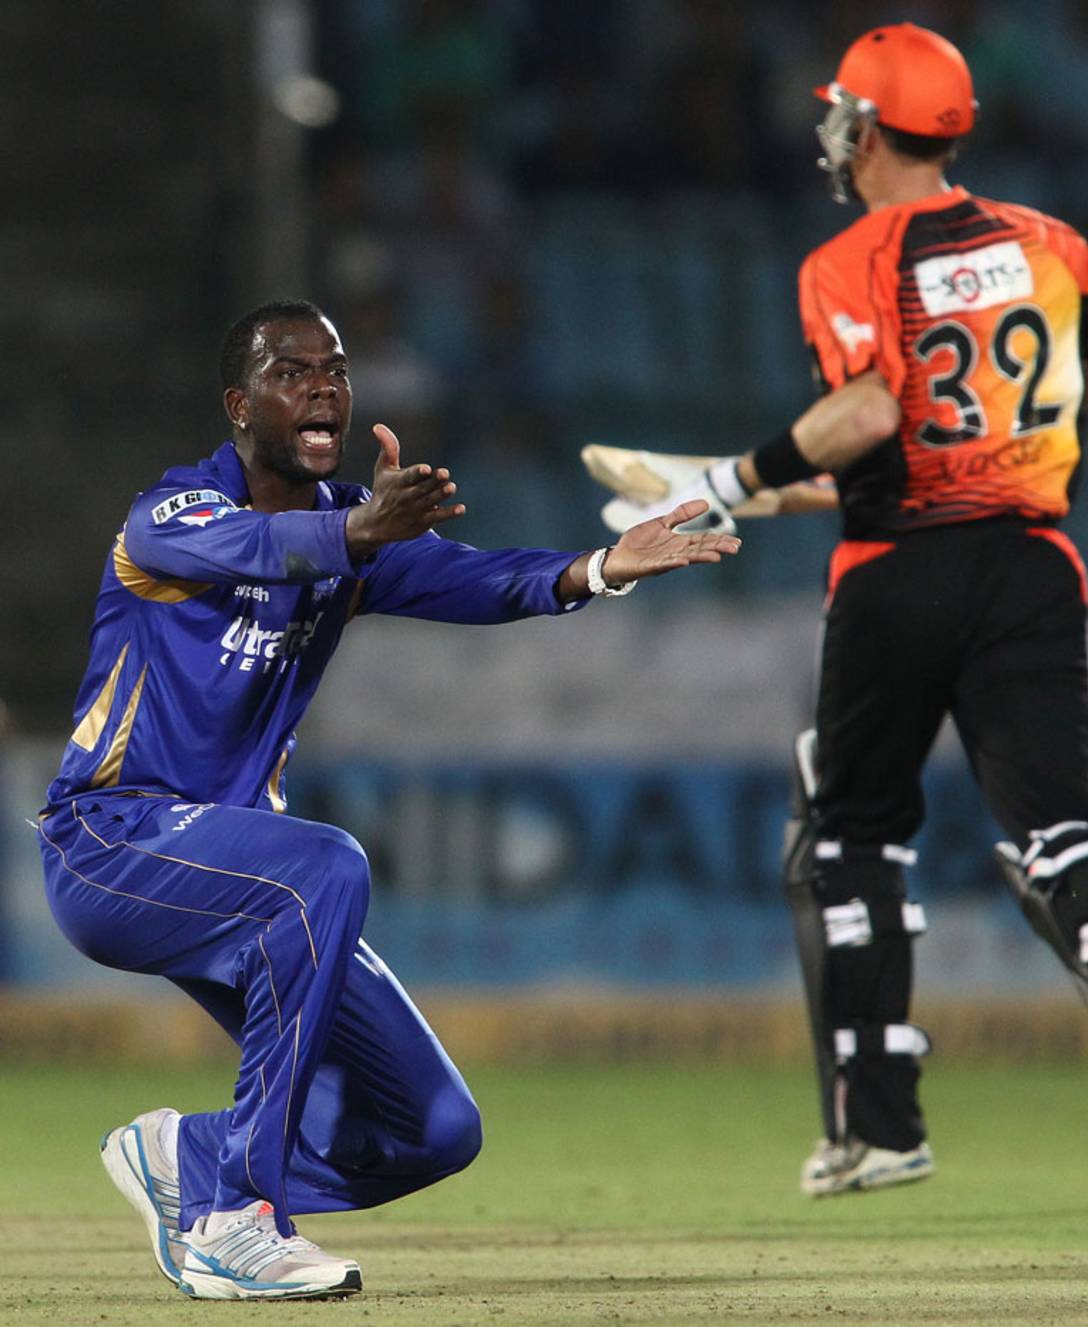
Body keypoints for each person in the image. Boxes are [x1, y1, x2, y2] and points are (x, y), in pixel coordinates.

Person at [35, 299, 740, 1300]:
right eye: (291, 371)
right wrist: (359, 529)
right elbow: (256, 550)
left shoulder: (350, 536)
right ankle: (237, 1218)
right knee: (326, 864)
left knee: (432, 1129)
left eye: (334, 368)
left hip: (239, 870)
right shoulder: (174, 515)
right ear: (240, 405)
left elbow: (478, 579)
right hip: (105, 843)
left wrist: (598, 568)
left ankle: (192, 1162)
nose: (322, 383)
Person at [609, 23, 1088, 1196]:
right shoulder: (1047, 238)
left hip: (896, 573)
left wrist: (724, 482)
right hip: (1033, 564)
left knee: (848, 832)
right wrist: (1009, 434)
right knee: (1052, 821)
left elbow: (875, 409)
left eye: (841, 115)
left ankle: (878, 1126)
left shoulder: (853, 257)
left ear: (866, 128)